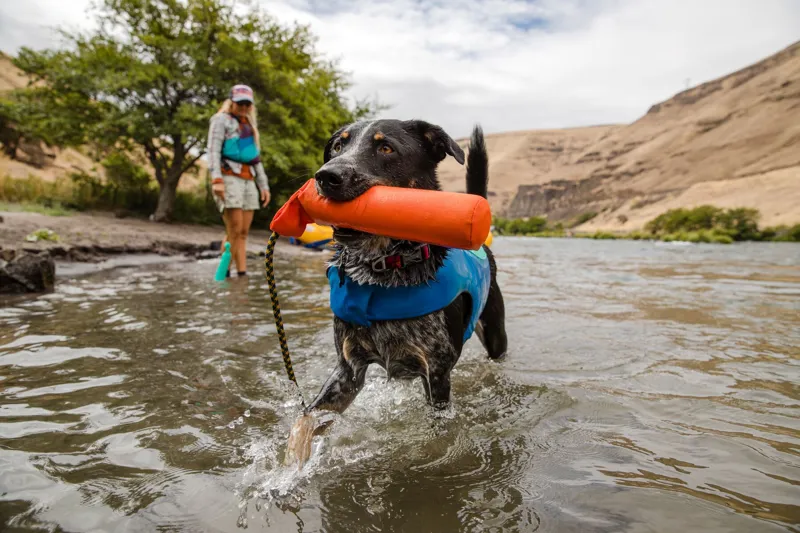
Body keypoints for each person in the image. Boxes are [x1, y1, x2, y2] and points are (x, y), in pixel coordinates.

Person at [207, 84, 270, 277]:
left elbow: (256, 159)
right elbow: (213, 150)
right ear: (231, 101)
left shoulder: (249, 125)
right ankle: (224, 272)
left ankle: (242, 274)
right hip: (228, 177)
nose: (243, 107)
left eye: (247, 104)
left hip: (248, 180)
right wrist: (216, 179)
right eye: (240, 102)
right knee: (233, 228)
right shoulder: (220, 120)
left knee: (243, 231)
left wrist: (263, 185)